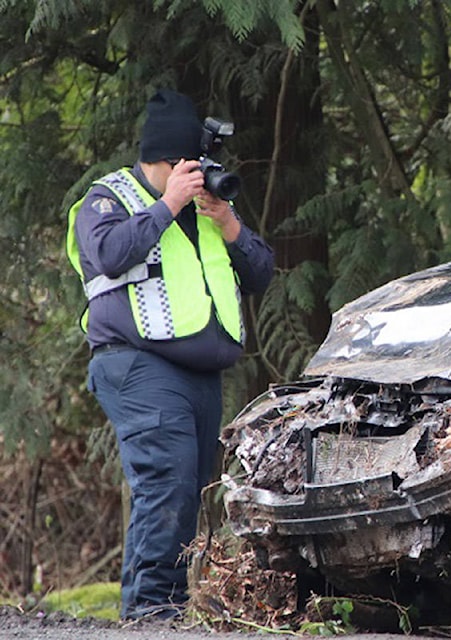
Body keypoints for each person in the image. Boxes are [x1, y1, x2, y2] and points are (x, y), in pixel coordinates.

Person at [65, 89, 275, 620]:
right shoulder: (108, 199)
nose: (196, 176)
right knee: (168, 481)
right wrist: (168, 205)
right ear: (162, 160)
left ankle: (162, 608)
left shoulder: (206, 209)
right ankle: (152, 613)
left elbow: (260, 274)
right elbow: (110, 255)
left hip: (200, 374)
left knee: (190, 488)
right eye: (187, 166)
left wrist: (229, 224)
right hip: (135, 365)